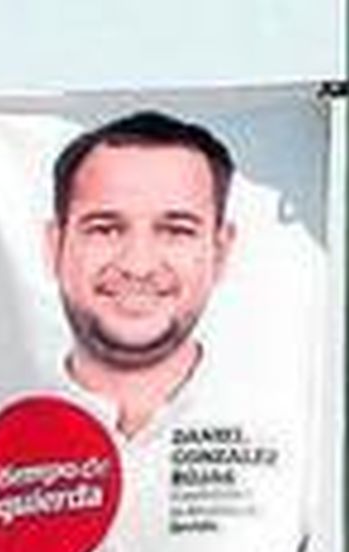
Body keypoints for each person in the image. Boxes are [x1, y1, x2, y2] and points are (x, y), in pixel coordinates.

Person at [46, 109, 237, 438]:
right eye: (106, 230)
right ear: (55, 245)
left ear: (219, 252)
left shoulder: (283, 419)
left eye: (175, 231)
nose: (138, 266)